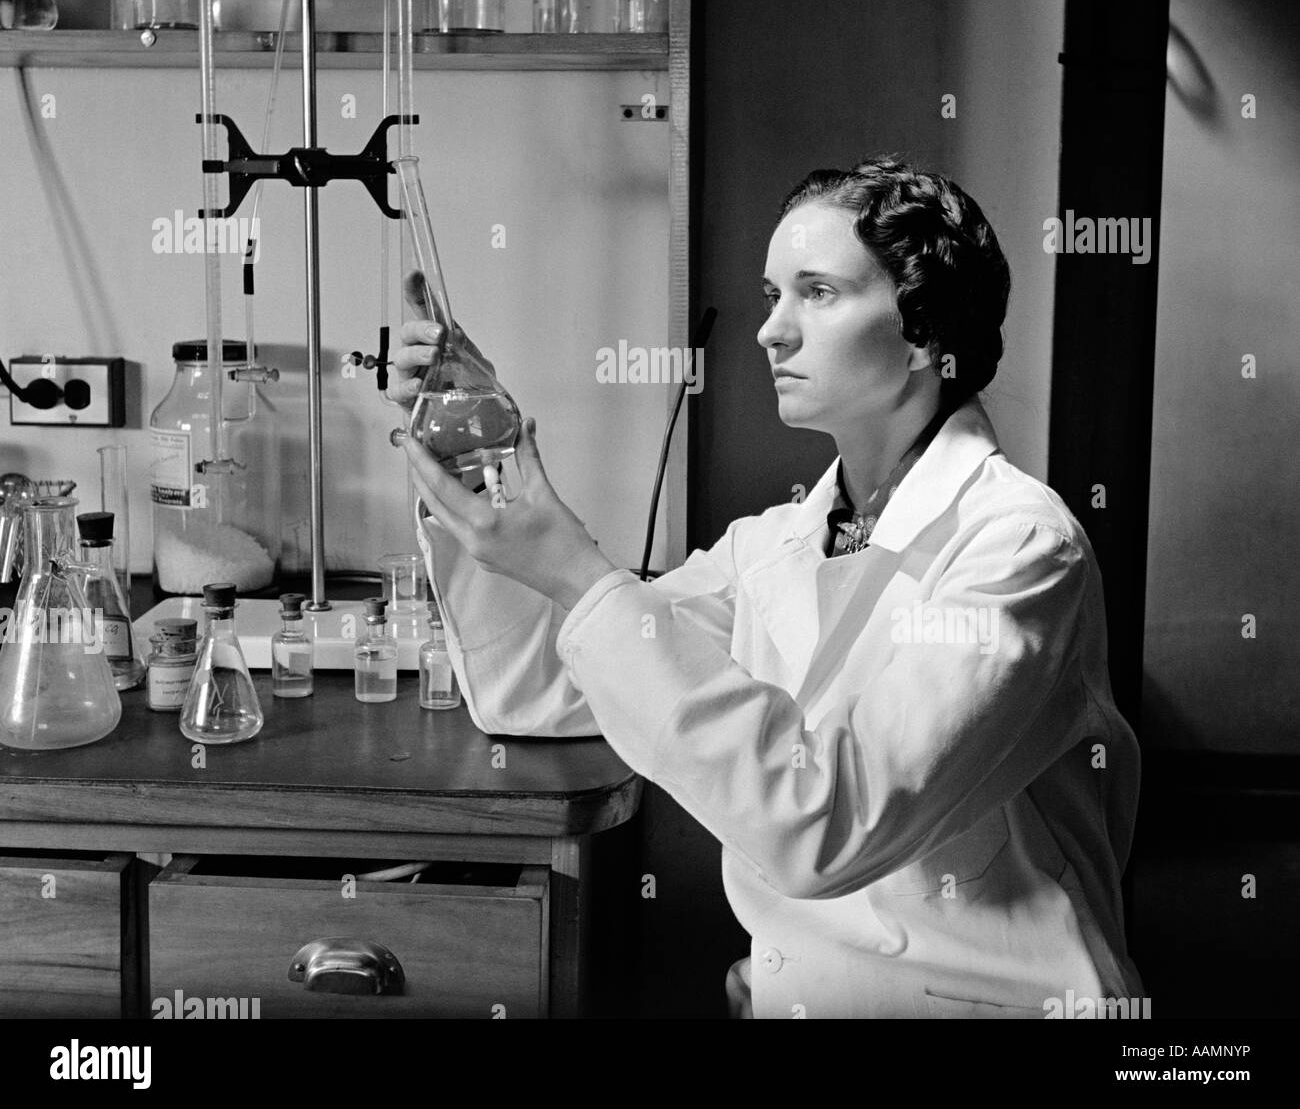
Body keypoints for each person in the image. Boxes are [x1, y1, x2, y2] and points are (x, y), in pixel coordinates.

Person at [389, 154, 1143, 1019]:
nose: (770, 331)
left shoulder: (1018, 548)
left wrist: (578, 570)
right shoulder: (772, 546)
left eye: (817, 292)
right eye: (771, 294)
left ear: (930, 333)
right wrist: (477, 457)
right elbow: (534, 691)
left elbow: (826, 825)